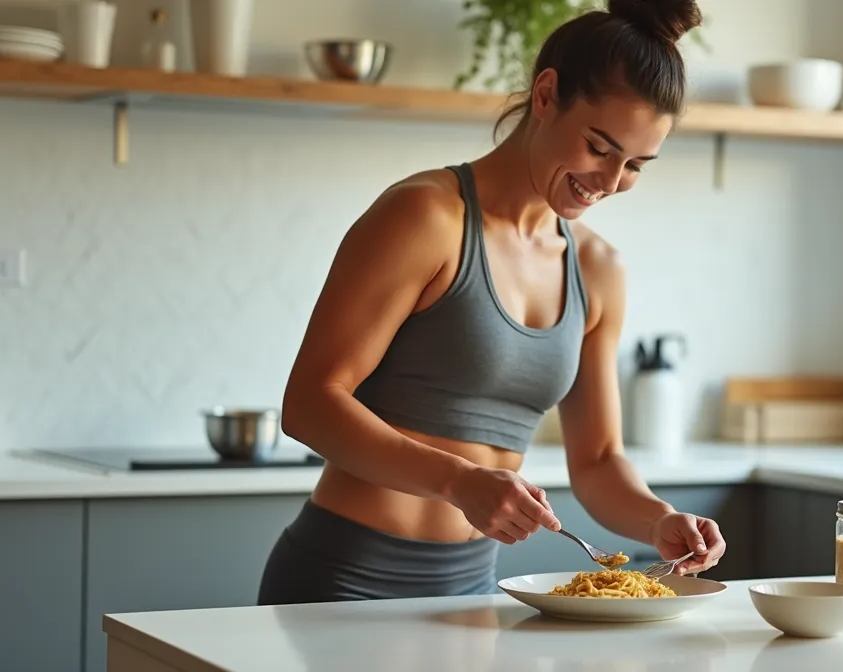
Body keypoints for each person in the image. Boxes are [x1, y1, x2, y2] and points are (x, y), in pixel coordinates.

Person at [258, 0, 727, 605]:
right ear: (546, 94)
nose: (610, 182)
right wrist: (458, 481)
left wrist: (658, 520)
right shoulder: (426, 216)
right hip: (343, 581)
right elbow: (309, 404)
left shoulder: (598, 270)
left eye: (636, 165)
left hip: (472, 596)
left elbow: (600, 460)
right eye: (599, 146)